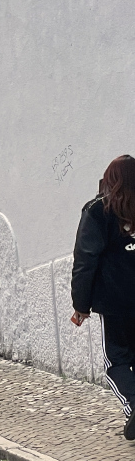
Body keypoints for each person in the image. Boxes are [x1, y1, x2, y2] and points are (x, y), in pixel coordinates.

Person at [71, 155, 135, 440]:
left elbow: (85, 260)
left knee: (117, 361)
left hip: (116, 302)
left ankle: (134, 405)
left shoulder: (98, 211)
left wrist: (80, 306)